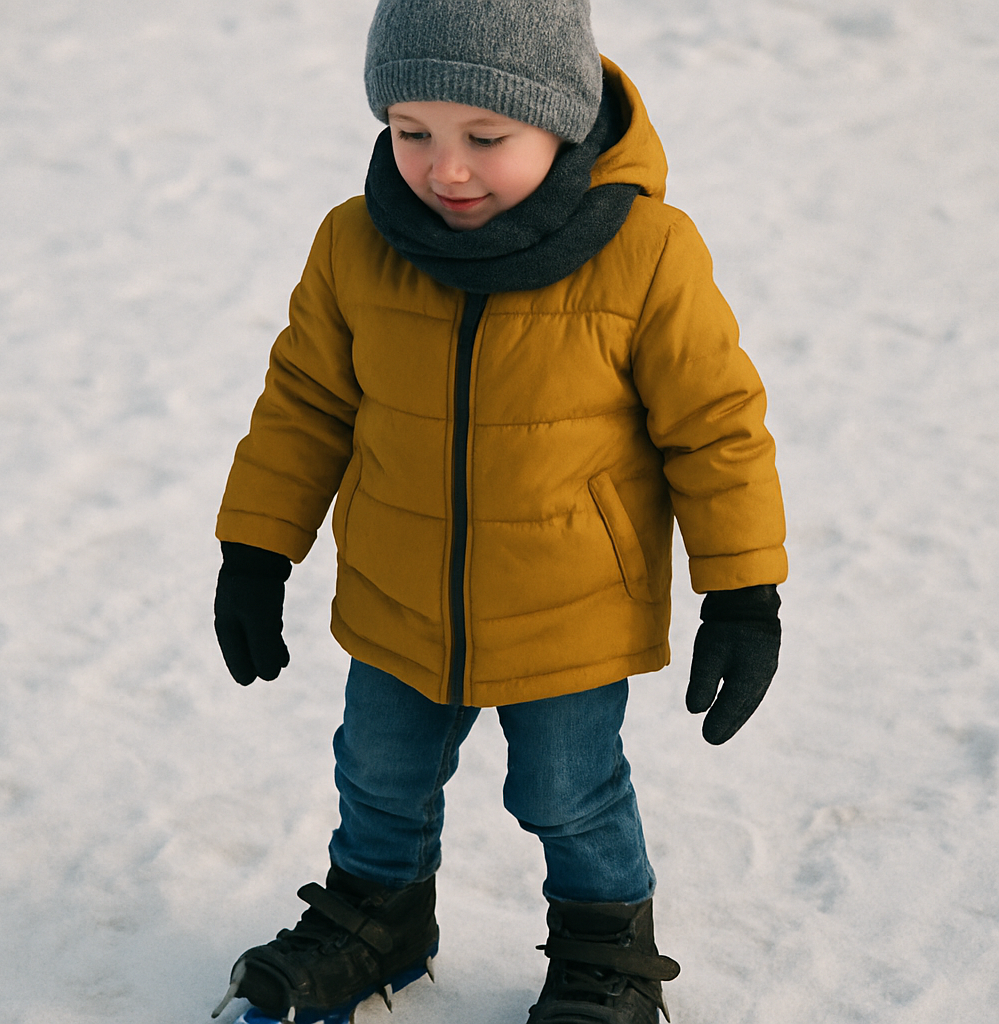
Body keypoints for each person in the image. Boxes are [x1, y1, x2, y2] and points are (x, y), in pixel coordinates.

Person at [210, 1, 787, 1022]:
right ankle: (377, 916)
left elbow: (716, 427)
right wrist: (256, 547)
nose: (448, 170)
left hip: (570, 608)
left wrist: (742, 592)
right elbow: (305, 401)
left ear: (562, 121)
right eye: (410, 131)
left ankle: (606, 952)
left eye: (487, 137)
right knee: (378, 774)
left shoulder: (646, 252)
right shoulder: (356, 242)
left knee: (569, 793)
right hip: (397, 595)